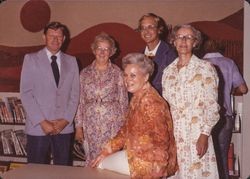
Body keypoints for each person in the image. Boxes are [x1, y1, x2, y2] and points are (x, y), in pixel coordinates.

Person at [91, 53, 178, 178]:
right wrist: (106, 151)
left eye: (133, 75)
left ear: (146, 76)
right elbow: (125, 130)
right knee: (101, 161)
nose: (127, 80)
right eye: (125, 75)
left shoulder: (151, 102)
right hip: (137, 153)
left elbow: (161, 138)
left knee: (100, 166)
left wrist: (159, 167)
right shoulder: (137, 97)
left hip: (150, 161)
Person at [162, 24, 220, 178]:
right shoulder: (168, 72)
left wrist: (204, 135)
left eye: (188, 37)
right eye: (180, 37)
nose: (183, 40)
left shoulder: (205, 68)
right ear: (173, 41)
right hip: (176, 135)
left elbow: (212, 106)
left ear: (195, 42)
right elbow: (166, 107)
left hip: (197, 134)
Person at [20, 21, 80, 165]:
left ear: (64, 39)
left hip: (64, 127)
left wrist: (65, 120)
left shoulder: (72, 61)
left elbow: (75, 94)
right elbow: (26, 93)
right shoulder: (31, 59)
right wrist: (42, 121)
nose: (55, 39)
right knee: (36, 170)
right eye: (51, 36)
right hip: (38, 127)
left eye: (59, 36)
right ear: (44, 37)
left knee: (63, 169)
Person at [74, 33, 128, 165]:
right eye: (99, 48)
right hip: (90, 123)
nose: (102, 52)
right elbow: (80, 101)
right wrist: (78, 127)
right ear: (94, 50)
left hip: (112, 124)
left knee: (110, 158)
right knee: (92, 159)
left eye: (106, 49)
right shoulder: (84, 73)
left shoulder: (118, 73)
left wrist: (124, 128)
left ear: (112, 52)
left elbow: (123, 101)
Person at [203, 39, 248, 179]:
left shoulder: (199, 64)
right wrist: (228, 88)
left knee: (204, 161)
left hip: (203, 117)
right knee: (222, 158)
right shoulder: (229, 63)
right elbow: (243, 89)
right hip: (224, 116)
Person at [137, 13, 177, 95]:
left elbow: (173, 86)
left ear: (159, 29)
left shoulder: (171, 54)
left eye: (150, 27)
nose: (146, 31)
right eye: (143, 28)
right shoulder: (138, 56)